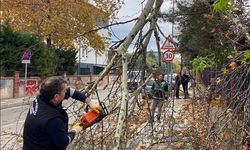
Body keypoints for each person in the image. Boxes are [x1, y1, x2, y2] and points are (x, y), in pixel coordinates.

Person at [23, 77, 100, 150]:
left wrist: (88, 101)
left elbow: (70, 92)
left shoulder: (41, 99)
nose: (66, 92)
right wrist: (74, 130)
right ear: (56, 96)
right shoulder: (53, 120)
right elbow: (64, 142)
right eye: (64, 91)